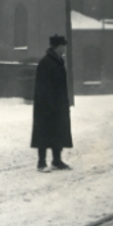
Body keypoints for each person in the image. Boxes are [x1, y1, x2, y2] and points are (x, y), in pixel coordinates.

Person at [31, 34, 73, 172]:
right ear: (57, 47)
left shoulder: (58, 61)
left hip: (58, 105)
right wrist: (49, 107)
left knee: (57, 133)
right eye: (63, 46)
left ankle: (56, 160)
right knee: (44, 134)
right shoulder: (46, 63)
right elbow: (43, 87)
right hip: (47, 106)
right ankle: (41, 163)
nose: (64, 48)